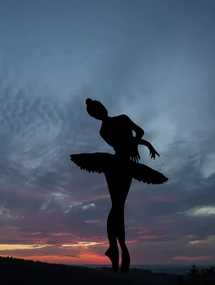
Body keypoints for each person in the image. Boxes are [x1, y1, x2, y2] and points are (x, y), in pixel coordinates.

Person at [70, 98, 168, 272]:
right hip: (116, 164)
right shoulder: (103, 130)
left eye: (99, 108)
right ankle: (118, 248)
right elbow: (125, 143)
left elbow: (139, 132)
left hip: (124, 164)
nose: (100, 112)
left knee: (117, 206)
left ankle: (115, 248)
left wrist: (140, 145)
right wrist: (143, 144)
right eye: (95, 113)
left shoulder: (122, 119)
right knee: (117, 206)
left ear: (104, 107)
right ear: (95, 116)